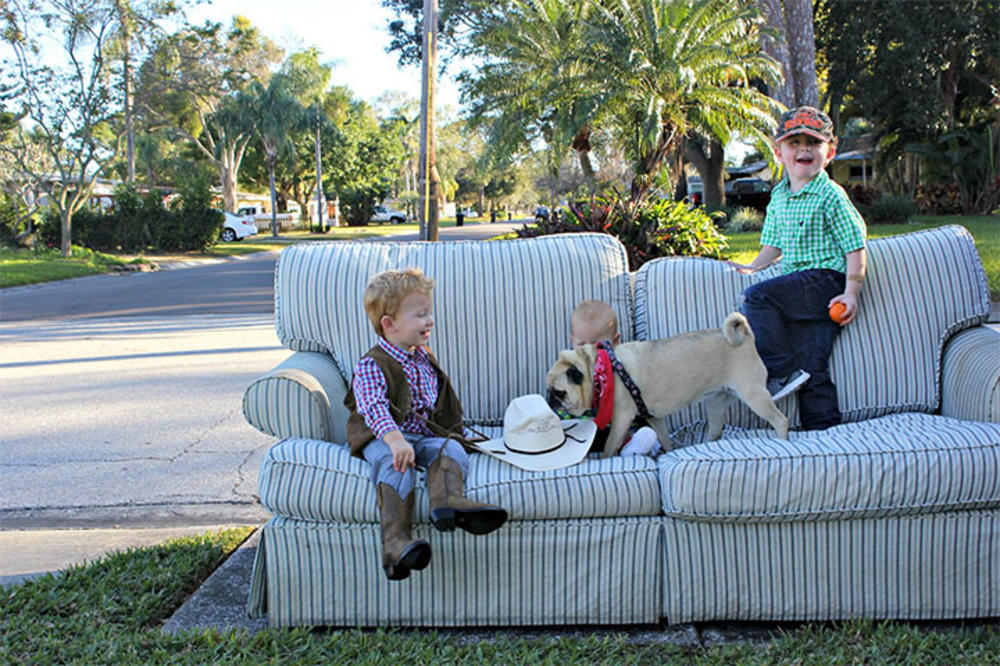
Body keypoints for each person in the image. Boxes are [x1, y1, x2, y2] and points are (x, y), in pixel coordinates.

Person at [344, 268, 508, 581]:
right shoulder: (372, 364)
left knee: (451, 449)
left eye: (429, 313)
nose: (430, 320)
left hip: (421, 436)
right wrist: (394, 440)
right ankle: (395, 544)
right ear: (389, 324)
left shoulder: (421, 356)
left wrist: (454, 432)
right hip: (384, 436)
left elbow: (432, 406)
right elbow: (373, 407)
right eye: (421, 315)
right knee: (395, 466)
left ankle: (446, 503)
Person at [728, 106, 867, 430]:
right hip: (800, 290)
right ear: (779, 153)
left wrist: (851, 292)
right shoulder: (778, 197)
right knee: (813, 366)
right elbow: (774, 245)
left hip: (826, 282)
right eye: (794, 142)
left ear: (829, 153)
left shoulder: (831, 195)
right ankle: (823, 431)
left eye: (813, 143)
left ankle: (779, 369)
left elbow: (855, 247)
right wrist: (753, 266)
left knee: (757, 299)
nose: (804, 148)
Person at [568, 300, 659, 456]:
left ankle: (632, 445)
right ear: (572, 341)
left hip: (618, 425)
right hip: (583, 427)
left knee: (643, 427)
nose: (589, 350)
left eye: (597, 344)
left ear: (615, 342)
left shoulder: (622, 367)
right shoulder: (570, 369)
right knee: (568, 428)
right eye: (582, 344)